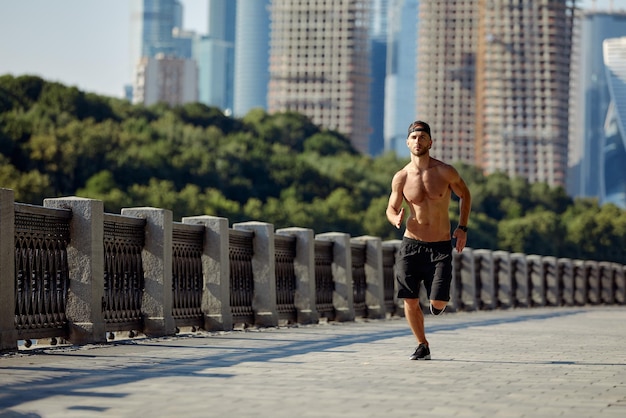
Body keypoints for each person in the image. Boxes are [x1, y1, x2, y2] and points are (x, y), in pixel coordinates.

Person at [386, 120, 471, 360]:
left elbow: (465, 195)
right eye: (414, 138)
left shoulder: (445, 171)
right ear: (407, 142)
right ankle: (422, 344)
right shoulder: (401, 177)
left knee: (439, 302)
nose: (418, 141)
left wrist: (462, 228)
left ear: (430, 142)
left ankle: (437, 304)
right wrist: (395, 218)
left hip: (440, 246)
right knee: (410, 300)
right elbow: (391, 208)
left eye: (422, 137)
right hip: (411, 244)